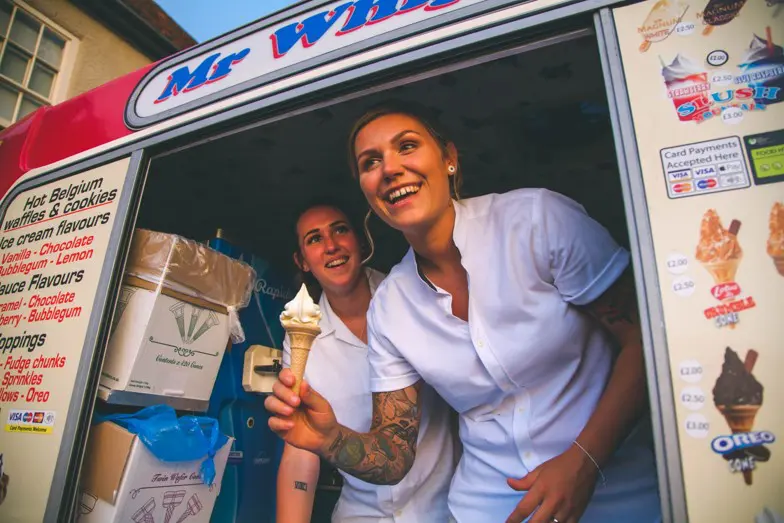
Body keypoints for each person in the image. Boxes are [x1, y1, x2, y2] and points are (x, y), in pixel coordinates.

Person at [266, 104, 662, 523]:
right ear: (367, 191)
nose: (391, 168)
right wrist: (330, 439)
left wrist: (584, 460)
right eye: (371, 162)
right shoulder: (392, 307)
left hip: (620, 493)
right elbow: (395, 454)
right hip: (486, 508)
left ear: (449, 158)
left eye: (407, 146)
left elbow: (648, 341)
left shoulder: (537, 221)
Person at [275, 198, 457, 523]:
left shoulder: (408, 295)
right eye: (314, 239)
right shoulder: (300, 338)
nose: (331, 246)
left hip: (445, 507)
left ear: (359, 240)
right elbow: (301, 451)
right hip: (362, 514)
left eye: (339, 230)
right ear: (302, 261)